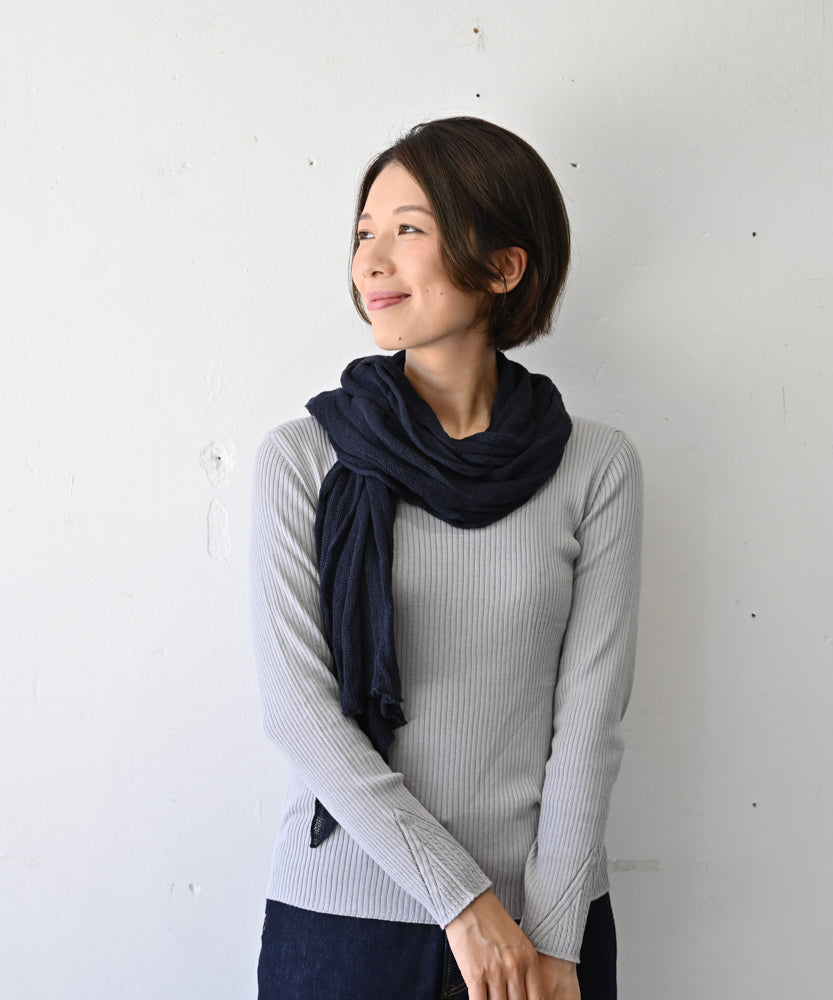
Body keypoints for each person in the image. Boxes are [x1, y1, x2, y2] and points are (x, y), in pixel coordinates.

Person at [250, 116, 643, 1000]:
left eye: (408, 229)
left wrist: (554, 936)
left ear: (503, 267)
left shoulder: (595, 466)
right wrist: (465, 903)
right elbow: (299, 713)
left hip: (545, 926)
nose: (371, 261)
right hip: (345, 927)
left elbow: (590, 723)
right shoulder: (304, 458)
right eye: (364, 233)